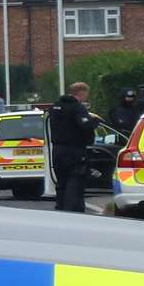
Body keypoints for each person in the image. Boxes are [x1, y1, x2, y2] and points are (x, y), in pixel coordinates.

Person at [46, 81, 99, 213]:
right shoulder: (77, 108)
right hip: (75, 151)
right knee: (75, 182)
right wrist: (94, 121)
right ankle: (73, 212)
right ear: (81, 93)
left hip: (57, 151)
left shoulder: (55, 107)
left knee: (61, 182)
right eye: (86, 94)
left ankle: (61, 208)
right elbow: (85, 125)